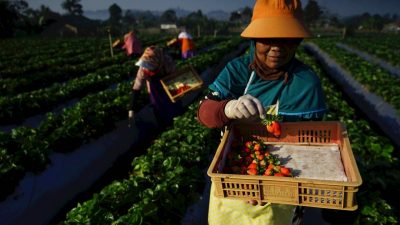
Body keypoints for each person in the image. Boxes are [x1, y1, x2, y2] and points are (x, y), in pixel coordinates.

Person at [196, 0, 327, 224]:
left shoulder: (306, 83)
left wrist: (275, 182)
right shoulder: (237, 71)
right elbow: (204, 113)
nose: (277, 47)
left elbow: (313, 144)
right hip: (237, 177)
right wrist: (227, 108)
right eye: (268, 38)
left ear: (297, 41)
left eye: (287, 39)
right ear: (255, 39)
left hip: (285, 179)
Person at [128, 45, 183, 127]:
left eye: (150, 67)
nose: (148, 69)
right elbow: (137, 87)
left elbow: (175, 78)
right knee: (158, 111)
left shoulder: (167, 62)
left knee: (174, 110)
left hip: (169, 86)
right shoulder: (143, 67)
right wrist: (131, 109)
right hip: (154, 91)